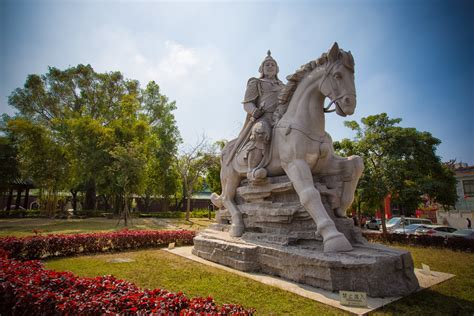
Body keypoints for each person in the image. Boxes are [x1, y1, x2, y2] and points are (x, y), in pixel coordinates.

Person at [235, 50, 285, 179]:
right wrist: (254, 111)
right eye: (267, 64)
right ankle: (252, 170)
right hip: (264, 117)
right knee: (260, 132)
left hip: (282, 117)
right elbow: (247, 104)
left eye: (272, 65)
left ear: (277, 69)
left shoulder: (284, 86)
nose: (270, 67)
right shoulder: (256, 82)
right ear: (261, 68)